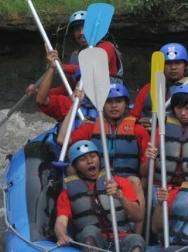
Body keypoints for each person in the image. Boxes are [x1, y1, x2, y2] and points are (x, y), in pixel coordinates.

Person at [56, 82, 151, 232]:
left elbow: (145, 172)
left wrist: (152, 159)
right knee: (71, 170)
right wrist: (74, 107)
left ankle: (138, 235)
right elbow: (62, 140)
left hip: (125, 181)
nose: (114, 106)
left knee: (135, 181)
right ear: (102, 104)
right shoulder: (90, 127)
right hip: (95, 178)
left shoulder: (138, 130)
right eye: (109, 101)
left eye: (118, 101)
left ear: (126, 104)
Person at [54, 141, 146, 252]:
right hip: (93, 240)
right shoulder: (67, 194)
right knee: (90, 231)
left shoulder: (119, 183)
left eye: (93, 156)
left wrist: (120, 196)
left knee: (136, 240)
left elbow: (137, 216)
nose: (90, 161)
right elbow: (61, 222)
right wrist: (61, 235)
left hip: (120, 237)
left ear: (99, 159)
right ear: (76, 166)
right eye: (83, 159)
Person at [132, 43, 188, 128]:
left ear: (186, 66)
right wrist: (138, 123)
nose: (173, 67)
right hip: (150, 135)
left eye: (178, 63)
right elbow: (133, 117)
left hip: (182, 136)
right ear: (161, 66)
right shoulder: (148, 88)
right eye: (168, 63)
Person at [26, 45, 97, 123]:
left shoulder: (108, 104)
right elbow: (41, 100)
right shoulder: (67, 103)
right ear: (77, 86)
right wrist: (52, 68)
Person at [62, 10, 123, 84]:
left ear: (93, 30)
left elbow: (92, 67)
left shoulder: (106, 47)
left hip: (109, 94)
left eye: (85, 28)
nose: (81, 32)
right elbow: (68, 88)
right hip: (81, 94)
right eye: (77, 29)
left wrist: (62, 67)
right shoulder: (74, 56)